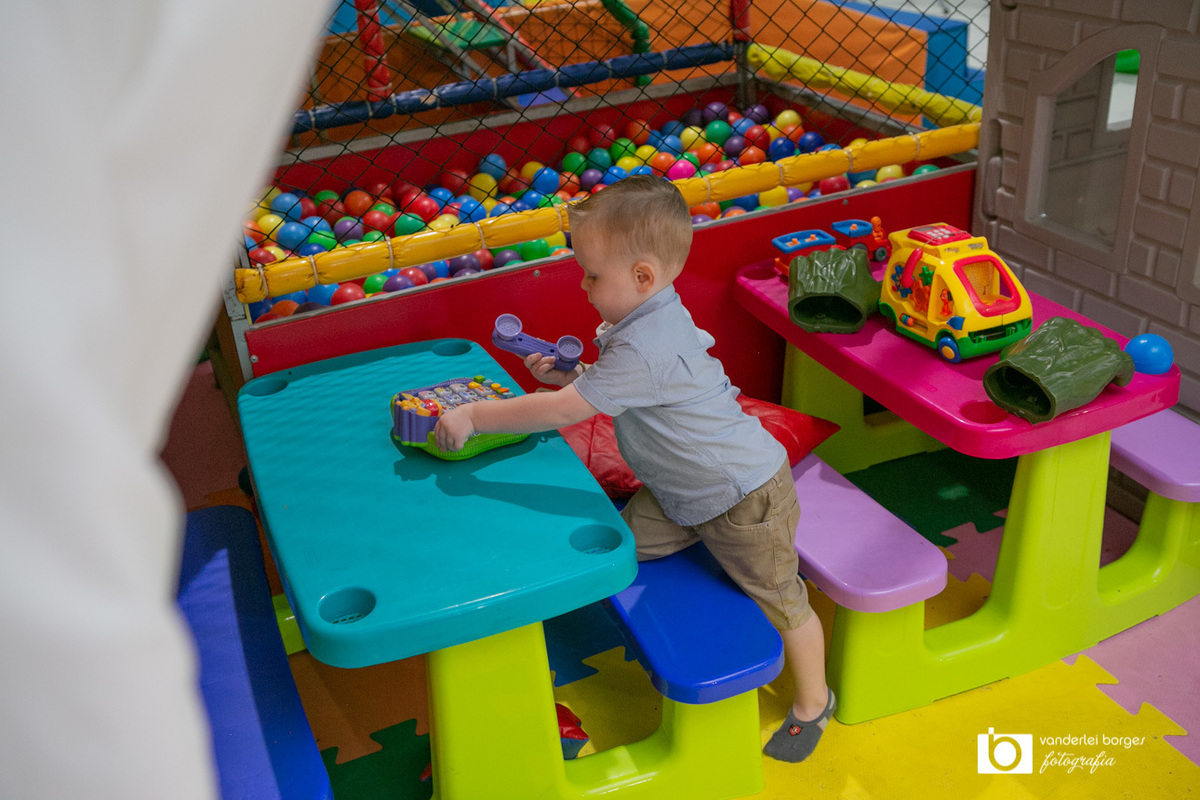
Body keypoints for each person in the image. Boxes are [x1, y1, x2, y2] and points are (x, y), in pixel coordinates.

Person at [434, 174, 834, 762]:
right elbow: (620, 391)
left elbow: (564, 412)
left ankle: (814, 702)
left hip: (742, 499)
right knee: (620, 548)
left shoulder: (647, 342)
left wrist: (475, 416)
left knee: (782, 600)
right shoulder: (644, 318)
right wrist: (574, 377)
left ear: (643, 276)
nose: (583, 283)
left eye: (592, 274)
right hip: (679, 494)